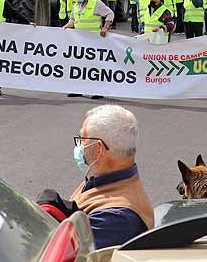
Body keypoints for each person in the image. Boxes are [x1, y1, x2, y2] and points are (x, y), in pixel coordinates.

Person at [54, 105, 154, 250]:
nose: (80, 145)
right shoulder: (103, 179)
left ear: (98, 148)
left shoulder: (118, 218)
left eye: (83, 138)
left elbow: (61, 252)